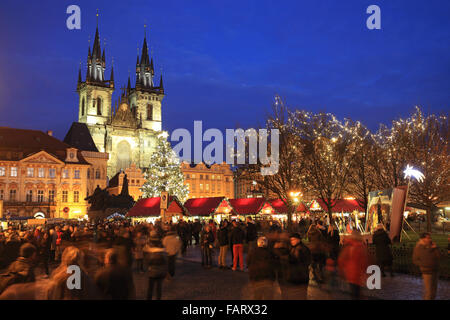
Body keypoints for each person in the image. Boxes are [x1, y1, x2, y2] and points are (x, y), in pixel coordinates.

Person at [338, 230, 368, 300]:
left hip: (351, 273)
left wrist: (341, 270)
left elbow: (341, 259)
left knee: (355, 293)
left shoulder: (349, 245)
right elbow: (364, 260)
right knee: (357, 293)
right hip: (358, 274)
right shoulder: (361, 246)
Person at [413, 232, 441, 300]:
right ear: (423, 239)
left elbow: (438, 256)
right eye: (428, 238)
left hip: (435, 270)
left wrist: (436, 248)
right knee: (429, 291)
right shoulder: (419, 247)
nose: (430, 239)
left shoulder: (432, 246)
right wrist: (424, 265)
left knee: (434, 291)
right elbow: (415, 260)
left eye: (430, 238)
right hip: (427, 271)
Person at [145, 232, 167, 300]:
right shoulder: (163, 249)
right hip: (160, 271)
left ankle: (149, 298)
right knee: (159, 287)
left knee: (150, 287)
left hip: (151, 270)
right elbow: (165, 261)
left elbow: (147, 261)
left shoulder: (149, 250)